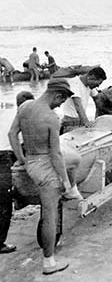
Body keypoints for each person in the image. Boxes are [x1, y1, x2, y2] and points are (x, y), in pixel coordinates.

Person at [8, 79, 73, 275]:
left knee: (46, 215)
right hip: (46, 168)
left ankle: (49, 258)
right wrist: (66, 182)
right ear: (58, 95)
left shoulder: (26, 106)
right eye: (61, 102)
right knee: (49, 217)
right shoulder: (52, 118)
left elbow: (12, 134)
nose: (59, 105)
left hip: (31, 163)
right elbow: (56, 154)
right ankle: (49, 262)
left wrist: (22, 160)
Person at [0, 91, 35, 254]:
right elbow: (20, 143)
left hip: (4, 153)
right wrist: (23, 160)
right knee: (3, 202)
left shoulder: (6, 112)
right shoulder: (24, 118)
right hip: (3, 156)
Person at [60, 66, 107, 134]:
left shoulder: (89, 86)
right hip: (70, 125)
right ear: (91, 77)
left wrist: (98, 116)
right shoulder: (74, 83)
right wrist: (86, 123)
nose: (97, 86)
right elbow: (78, 106)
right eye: (97, 84)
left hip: (81, 123)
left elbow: (97, 98)